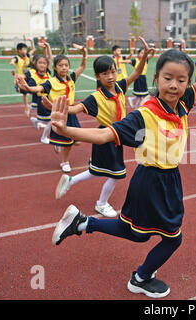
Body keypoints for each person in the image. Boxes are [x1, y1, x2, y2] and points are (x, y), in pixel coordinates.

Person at [50, 17, 196, 299]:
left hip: (170, 179)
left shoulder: (184, 103)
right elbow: (106, 135)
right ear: (156, 79)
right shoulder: (145, 114)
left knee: (137, 232)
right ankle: (140, 277)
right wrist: (66, 129)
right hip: (150, 180)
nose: (174, 85)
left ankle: (83, 223)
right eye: (168, 78)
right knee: (171, 238)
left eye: (181, 80)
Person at [52, 37, 152, 218]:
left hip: (117, 134)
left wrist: (144, 55)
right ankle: (101, 203)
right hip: (105, 136)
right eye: (105, 74)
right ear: (97, 76)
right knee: (116, 173)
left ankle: (70, 181)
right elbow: (78, 108)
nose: (111, 77)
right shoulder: (95, 97)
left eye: (112, 72)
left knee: (97, 170)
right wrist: (64, 109)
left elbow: (137, 72)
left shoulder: (120, 87)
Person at [17, 44, 88, 173]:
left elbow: (82, 66)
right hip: (59, 113)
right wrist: (27, 88)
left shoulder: (71, 78)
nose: (64, 67)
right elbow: (38, 89)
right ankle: (65, 161)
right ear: (55, 67)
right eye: (61, 65)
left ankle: (58, 142)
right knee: (68, 142)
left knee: (77, 142)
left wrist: (84, 53)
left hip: (71, 112)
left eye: (66, 65)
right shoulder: (51, 82)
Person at [10, 38, 36, 118]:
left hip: (29, 78)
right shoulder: (17, 58)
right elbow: (13, 59)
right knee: (24, 94)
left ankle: (34, 105)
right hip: (22, 79)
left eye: (26, 49)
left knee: (34, 91)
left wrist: (31, 41)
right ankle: (26, 107)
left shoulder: (27, 56)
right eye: (24, 49)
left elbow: (33, 49)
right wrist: (12, 62)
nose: (26, 50)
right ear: (19, 51)